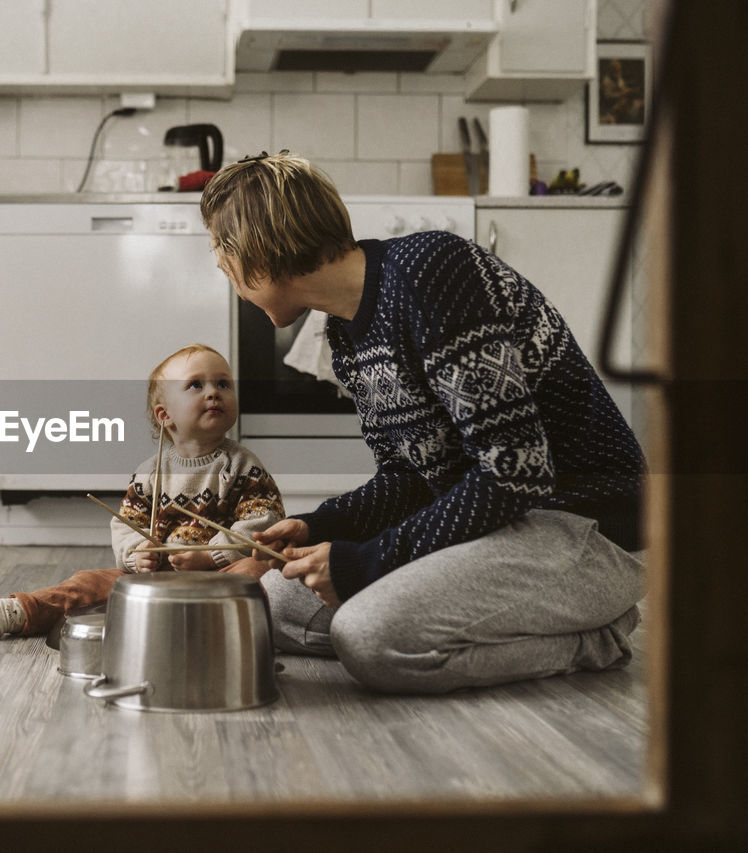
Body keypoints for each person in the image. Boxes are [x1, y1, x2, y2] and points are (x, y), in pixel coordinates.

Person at [200, 151, 646, 694]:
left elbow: (515, 471)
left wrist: (370, 561)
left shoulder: (433, 271)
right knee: (270, 605)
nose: (226, 273)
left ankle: (598, 635)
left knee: (370, 640)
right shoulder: (344, 335)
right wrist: (321, 528)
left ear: (260, 255)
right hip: (490, 528)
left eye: (224, 258)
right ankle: (457, 625)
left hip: (582, 529)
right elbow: (408, 479)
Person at [0, 343, 285, 639]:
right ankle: (12, 613)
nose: (213, 392)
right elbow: (126, 526)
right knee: (87, 583)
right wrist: (137, 555)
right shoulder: (148, 474)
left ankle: (219, 632)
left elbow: (263, 526)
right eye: (196, 385)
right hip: (156, 582)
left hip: (217, 579)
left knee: (256, 575)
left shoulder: (243, 467)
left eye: (223, 383)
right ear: (165, 416)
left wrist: (209, 557)